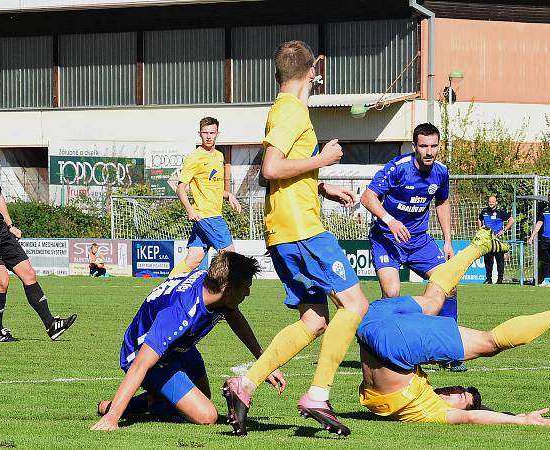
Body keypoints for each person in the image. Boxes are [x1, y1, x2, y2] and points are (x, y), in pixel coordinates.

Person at [222, 40, 369, 437]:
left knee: (315, 318)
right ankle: (318, 394)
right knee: (355, 305)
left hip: (284, 229)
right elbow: (271, 168)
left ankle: (245, 383)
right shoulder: (292, 110)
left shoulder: (281, 108)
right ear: (314, 70)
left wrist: (322, 187)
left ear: (276, 74)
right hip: (302, 229)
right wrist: (323, 160)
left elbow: (284, 170)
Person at [357, 227, 550, 425]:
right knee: (485, 340)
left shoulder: (432, 409)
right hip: (377, 329)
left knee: (442, 308)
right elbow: (472, 414)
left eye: (460, 395)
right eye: (462, 391)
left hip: (379, 325)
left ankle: (480, 245)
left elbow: (471, 416)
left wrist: (521, 420)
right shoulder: (424, 400)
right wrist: (521, 420)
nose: (455, 388)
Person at [91, 252, 285, 431]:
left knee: (203, 394)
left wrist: (264, 361)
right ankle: (139, 406)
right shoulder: (180, 313)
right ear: (228, 288)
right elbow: (140, 364)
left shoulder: (212, 287)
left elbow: (233, 315)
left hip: (180, 346)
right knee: (207, 415)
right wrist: (113, 418)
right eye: (245, 288)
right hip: (143, 352)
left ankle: (141, 401)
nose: (248, 294)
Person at [0, 129, 76, 342]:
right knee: (1, 281)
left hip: (0, 230)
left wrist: (10, 224)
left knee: (29, 274)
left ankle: (51, 325)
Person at [360, 123, 464, 372]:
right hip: (387, 239)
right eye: (424, 146)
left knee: (449, 285)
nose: (429, 151)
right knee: (392, 293)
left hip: (419, 241)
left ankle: (448, 350)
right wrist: (390, 220)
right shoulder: (398, 168)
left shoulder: (441, 172)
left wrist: (447, 240)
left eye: (434, 146)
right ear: (415, 146)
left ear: (439, 146)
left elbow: (442, 202)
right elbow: (368, 197)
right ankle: (385, 347)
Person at [169, 117, 241, 276]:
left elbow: (212, 187)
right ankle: (224, 296)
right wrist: (189, 210)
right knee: (231, 258)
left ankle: (166, 288)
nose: (208, 136)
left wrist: (228, 195)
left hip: (207, 216)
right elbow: (181, 188)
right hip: (208, 216)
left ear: (218, 134)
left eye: (212, 133)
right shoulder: (194, 157)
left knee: (193, 261)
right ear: (199, 134)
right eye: (205, 133)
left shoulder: (219, 156)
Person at [478, 195, 515, 284]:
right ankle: (488, 279)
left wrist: (504, 230)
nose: (491, 203)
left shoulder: (500, 212)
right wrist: (480, 229)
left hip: (497, 240)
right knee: (488, 260)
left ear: (496, 202)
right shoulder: (484, 211)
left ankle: (500, 279)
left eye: (493, 202)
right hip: (487, 240)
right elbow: (479, 219)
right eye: (490, 202)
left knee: (500, 260)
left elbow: (512, 220)